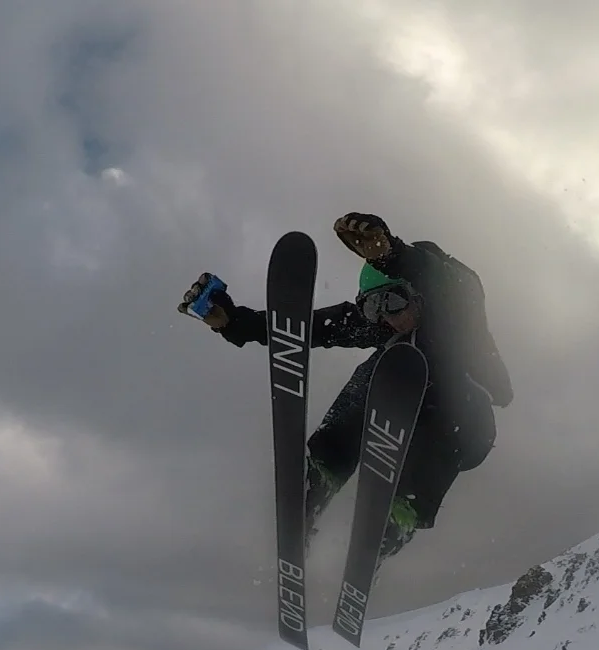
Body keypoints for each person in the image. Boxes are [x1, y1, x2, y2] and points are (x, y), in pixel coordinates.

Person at [179, 213, 513, 558]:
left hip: (464, 422)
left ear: (420, 296)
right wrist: (234, 322)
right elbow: (307, 328)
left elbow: (448, 283)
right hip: (404, 417)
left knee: (400, 366)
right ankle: (321, 478)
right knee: (377, 369)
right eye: (372, 307)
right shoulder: (382, 329)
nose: (386, 316)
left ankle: (401, 514)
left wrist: (393, 255)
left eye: (395, 302)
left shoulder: (453, 307)